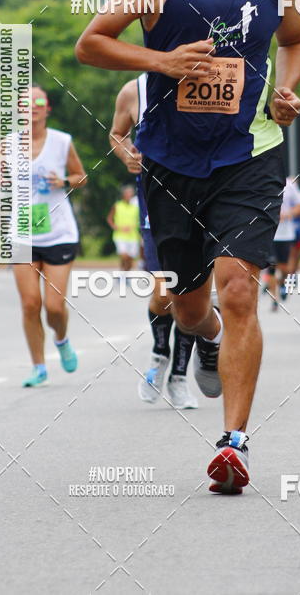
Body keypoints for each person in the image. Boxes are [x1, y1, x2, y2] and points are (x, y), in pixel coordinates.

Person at [76, 0, 300, 493]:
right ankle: (204, 340)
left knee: (239, 291)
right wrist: (162, 61)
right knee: (188, 307)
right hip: (170, 163)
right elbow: (91, 44)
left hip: (248, 157)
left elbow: (297, 40)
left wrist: (286, 90)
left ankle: (234, 444)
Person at [0, 86, 87, 387]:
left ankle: (61, 339)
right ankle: (38, 366)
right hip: (22, 233)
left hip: (58, 232)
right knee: (30, 304)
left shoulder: (61, 141)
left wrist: (64, 180)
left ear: (47, 109)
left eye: (38, 102)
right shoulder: (8, 145)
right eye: (26, 103)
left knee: (54, 307)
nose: (32, 107)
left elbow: (81, 176)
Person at [109, 73, 198, 409]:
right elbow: (117, 134)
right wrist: (127, 155)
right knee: (164, 293)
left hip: (201, 205)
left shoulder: (211, 80)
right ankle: (160, 352)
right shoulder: (135, 89)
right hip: (156, 208)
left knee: (190, 298)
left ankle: (179, 376)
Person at [269, 176, 300, 310]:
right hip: (268, 233)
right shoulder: (263, 181)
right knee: (271, 266)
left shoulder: (289, 185)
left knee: (283, 267)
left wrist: (287, 214)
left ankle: (282, 283)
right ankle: (274, 299)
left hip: (285, 234)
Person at [106, 185, 140, 271]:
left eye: (131, 194)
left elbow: (140, 220)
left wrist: (134, 226)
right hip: (120, 236)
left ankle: (124, 273)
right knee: (124, 256)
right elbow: (109, 218)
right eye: (127, 194)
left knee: (130, 259)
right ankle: (123, 273)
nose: (129, 196)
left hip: (133, 236)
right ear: (123, 195)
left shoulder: (136, 207)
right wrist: (115, 227)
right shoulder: (117, 205)